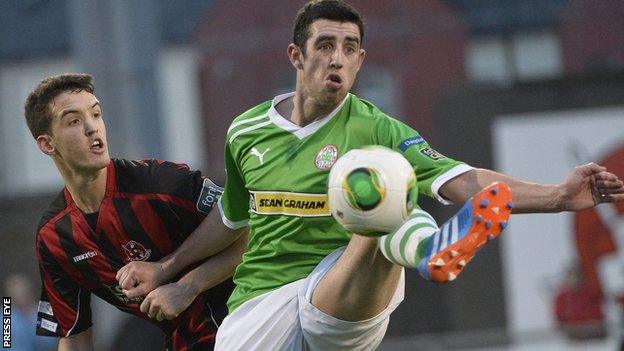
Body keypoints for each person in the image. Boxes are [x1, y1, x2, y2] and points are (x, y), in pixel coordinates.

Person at [118, 1, 624, 350]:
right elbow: (231, 219)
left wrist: (560, 195)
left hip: (343, 293)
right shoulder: (245, 131)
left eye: (349, 47)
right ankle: (419, 240)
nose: (336, 58)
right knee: (381, 192)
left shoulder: (376, 128)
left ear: (360, 61)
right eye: (324, 44)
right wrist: (170, 274)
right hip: (260, 305)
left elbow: (463, 181)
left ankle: (431, 249)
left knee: (385, 184)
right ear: (296, 55)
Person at [24, 73, 245, 351]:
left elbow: (254, 229)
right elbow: (74, 335)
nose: (92, 128)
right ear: (47, 144)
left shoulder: (160, 183)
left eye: (96, 114)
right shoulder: (54, 237)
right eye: (74, 121)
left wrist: (186, 283)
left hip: (252, 321)